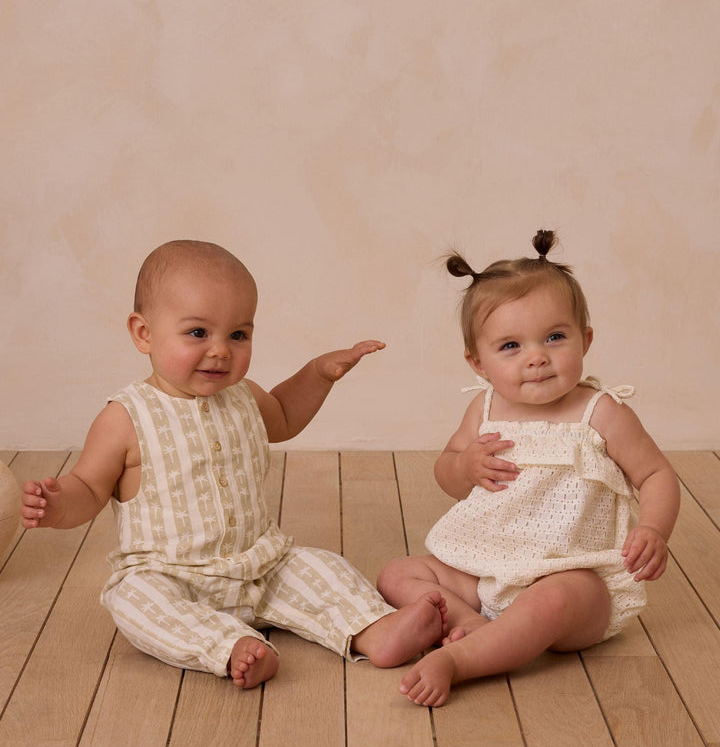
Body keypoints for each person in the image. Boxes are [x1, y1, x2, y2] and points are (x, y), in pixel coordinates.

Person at [21, 240, 446, 690]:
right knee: (135, 602)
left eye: (238, 335)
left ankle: (375, 631)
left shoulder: (243, 395)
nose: (221, 350)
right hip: (170, 576)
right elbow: (87, 487)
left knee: (323, 569)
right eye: (198, 333)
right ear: (143, 333)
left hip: (262, 565)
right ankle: (231, 647)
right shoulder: (126, 417)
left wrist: (318, 375)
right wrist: (56, 504)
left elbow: (282, 417)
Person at [377, 230, 680, 707]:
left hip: (571, 576)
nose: (537, 357)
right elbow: (447, 470)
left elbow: (657, 474)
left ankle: (461, 660)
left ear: (587, 339)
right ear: (477, 363)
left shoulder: (600, 413)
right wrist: (466, 467)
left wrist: (655, 528)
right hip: (485, 568)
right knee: (398, 573)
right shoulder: (485, 409)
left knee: (554, 600)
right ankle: (471, 624)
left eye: (555, 337)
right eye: (511, 346)